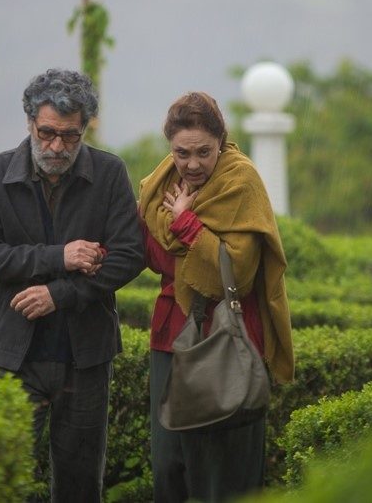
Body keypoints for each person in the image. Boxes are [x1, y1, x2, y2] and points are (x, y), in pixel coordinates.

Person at [0, 68, 145, 502]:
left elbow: (129, 256)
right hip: (13, 355)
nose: (56, 146)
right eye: (46, 133)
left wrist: (58, 295)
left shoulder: (109, 173)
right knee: (2, 479)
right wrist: (58, 256)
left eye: (69, 136)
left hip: (85, 359)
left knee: (81, 487)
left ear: (85, 129)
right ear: (29, 122)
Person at [138, 91, 294, 503]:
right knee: (169, 466)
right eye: (182, 153)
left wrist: (186, 223)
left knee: (225, 471)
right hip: (171, 337)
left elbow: (239, 271)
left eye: (204, 152)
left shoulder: (241, 182)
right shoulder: (161, 184)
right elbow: (150, 252)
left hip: (226, 335)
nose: (192, 164)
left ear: (221, 143)